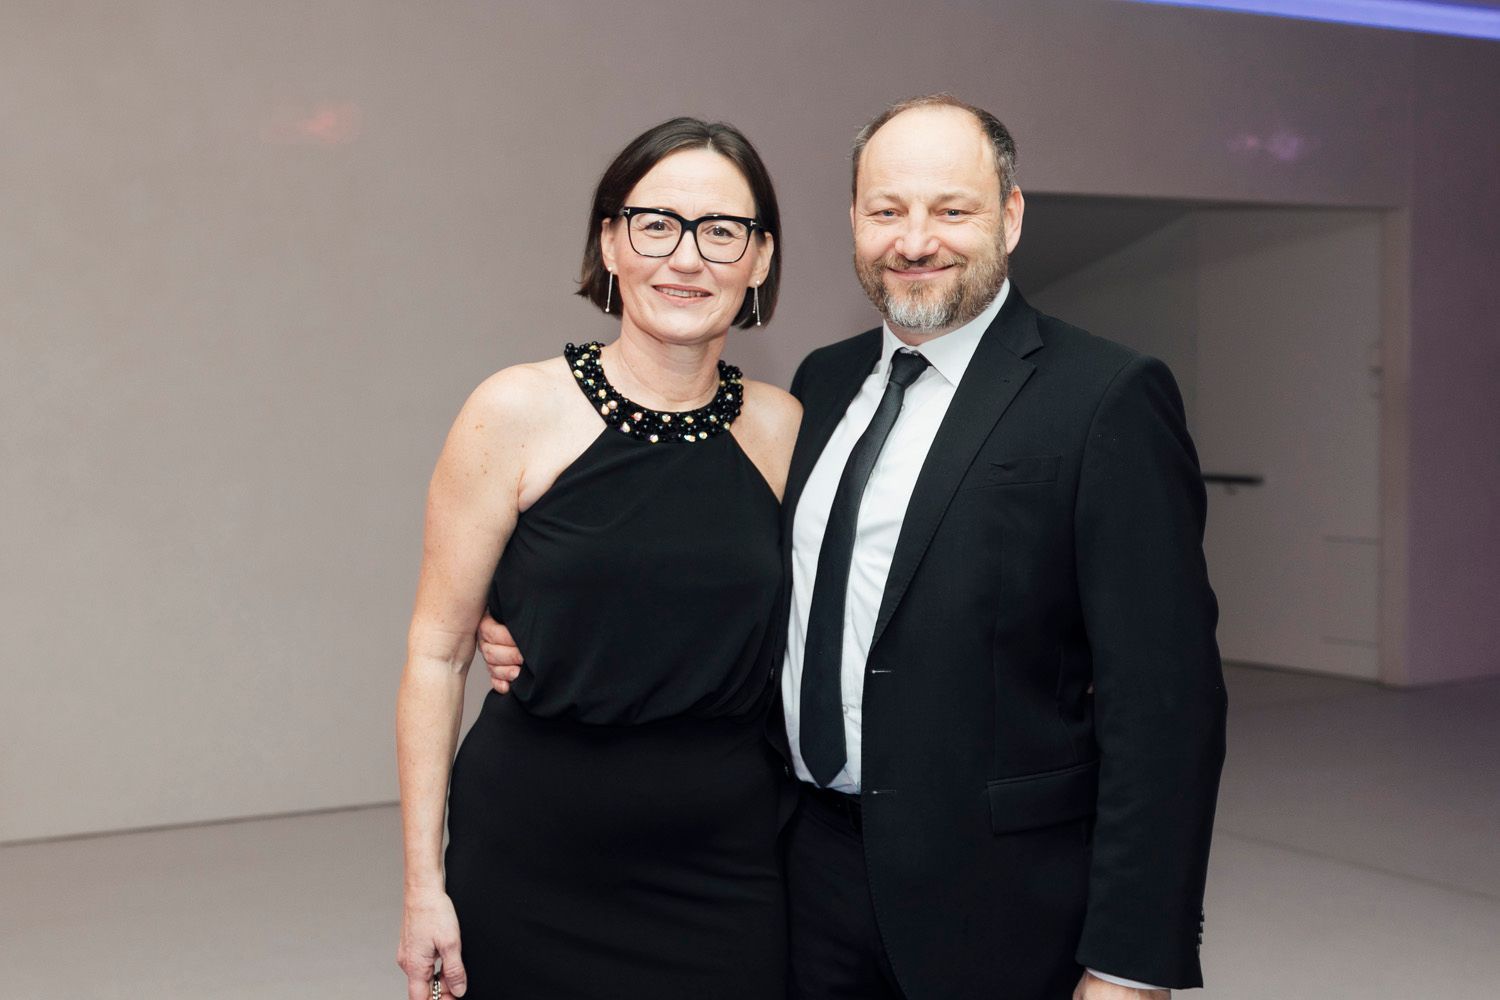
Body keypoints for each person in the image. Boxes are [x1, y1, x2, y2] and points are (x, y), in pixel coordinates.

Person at [484, 94, 1226, 1000]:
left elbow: (1166, 704)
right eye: (887, 210)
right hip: (798, 870)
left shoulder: (1105, 396)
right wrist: (548, 615)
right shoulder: (821, 385)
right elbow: (739, 576)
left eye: (951, 210)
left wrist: (1129, 964)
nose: (915, 240)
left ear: (1010, 216)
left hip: (996, 899)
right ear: (853, 222)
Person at [396, 116, 800, 1000]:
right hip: (531, 854)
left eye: (722, 231)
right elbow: (436, 654)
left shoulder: (784, 429)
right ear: (610, 242)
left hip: (723, 864)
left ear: (760, 259)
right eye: (656, 225)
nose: (686, 258)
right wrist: (423, 888)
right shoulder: (514, 410)